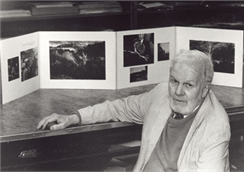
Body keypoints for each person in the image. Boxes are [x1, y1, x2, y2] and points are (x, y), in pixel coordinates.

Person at [37, 50, 231, 172]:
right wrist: (74, 117)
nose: (178, 92)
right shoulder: (162, 94)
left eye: (188, 85)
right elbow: (120, 107)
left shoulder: (215, 127)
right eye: (174, 81)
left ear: (204, 89)